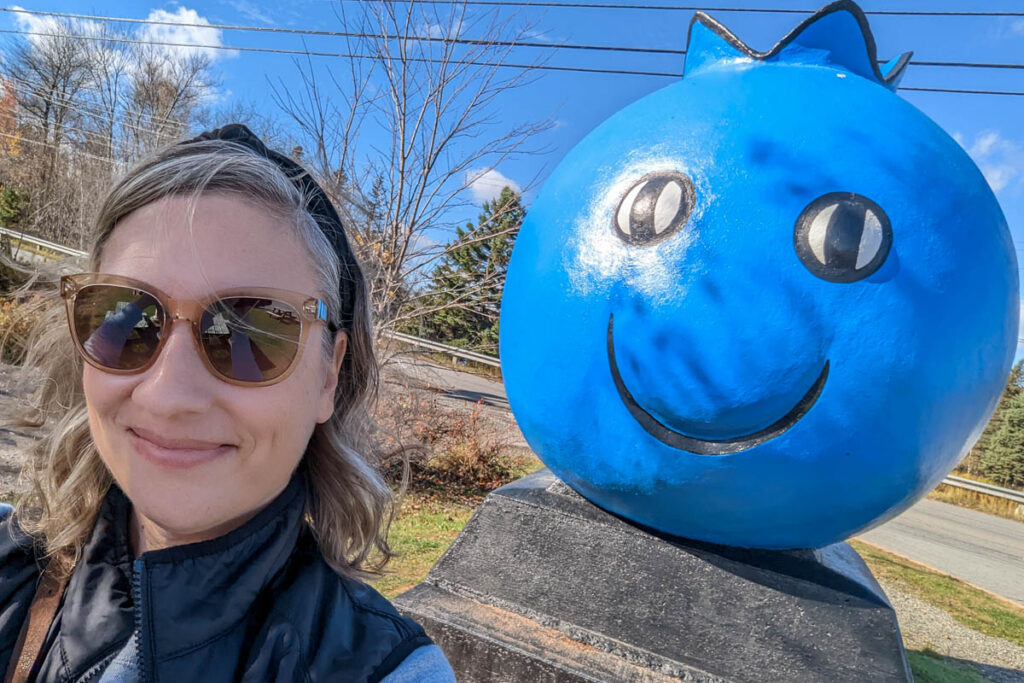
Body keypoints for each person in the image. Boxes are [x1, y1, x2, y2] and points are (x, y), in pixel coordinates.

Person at [0, 124, 456, 682]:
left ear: (328, 375)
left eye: (251, 334)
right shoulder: (11, 565)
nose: (168, 395)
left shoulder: (386, 671)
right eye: (127, 318)